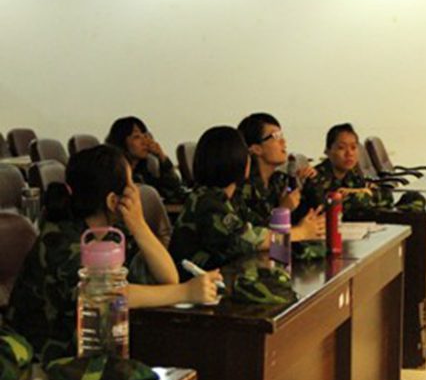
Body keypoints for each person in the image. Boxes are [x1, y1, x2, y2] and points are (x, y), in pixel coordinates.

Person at [7, 145, 220, 365]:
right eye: (131, 184)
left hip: (86, 356)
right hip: (42, 364)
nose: (135, 190)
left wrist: (139, 225)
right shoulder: (60, 240)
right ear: (112, 201)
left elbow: (168, 277)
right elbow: (109, 295)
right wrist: (185, 292)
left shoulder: (111, 233)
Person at [169, 126, 271, 277]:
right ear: (234, 159)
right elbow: (246, 240)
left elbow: (259, 224)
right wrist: (300, 232)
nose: (249, 159)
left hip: (220, 277)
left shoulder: (233, 197)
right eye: (246, 154)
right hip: (195, 284)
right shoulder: (208, 202)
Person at [235, 113, 325, 241]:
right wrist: (283, 210)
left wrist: (311, 181)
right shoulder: (243, 188)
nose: (283, 142)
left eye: (281, 135)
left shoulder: (280, 181)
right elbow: (253, 238)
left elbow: (317, 213)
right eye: (276, 136)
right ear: (256, 149)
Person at [299, 123, 387, 219]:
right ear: (327, 151)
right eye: (341, 148)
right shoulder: (315, 177)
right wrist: (363, 193)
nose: (349, 153)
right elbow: (328, 209)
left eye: (353, 148)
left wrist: (358, 191)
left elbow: (386, 196)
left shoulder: (352, 174)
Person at [106, 116, 185, 203]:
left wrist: (161, 156)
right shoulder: (115, 175)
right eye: (137, 137)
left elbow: (175, 191)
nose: (145, 142)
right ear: (121, 141)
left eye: (145, 136)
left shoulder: (143, 173)